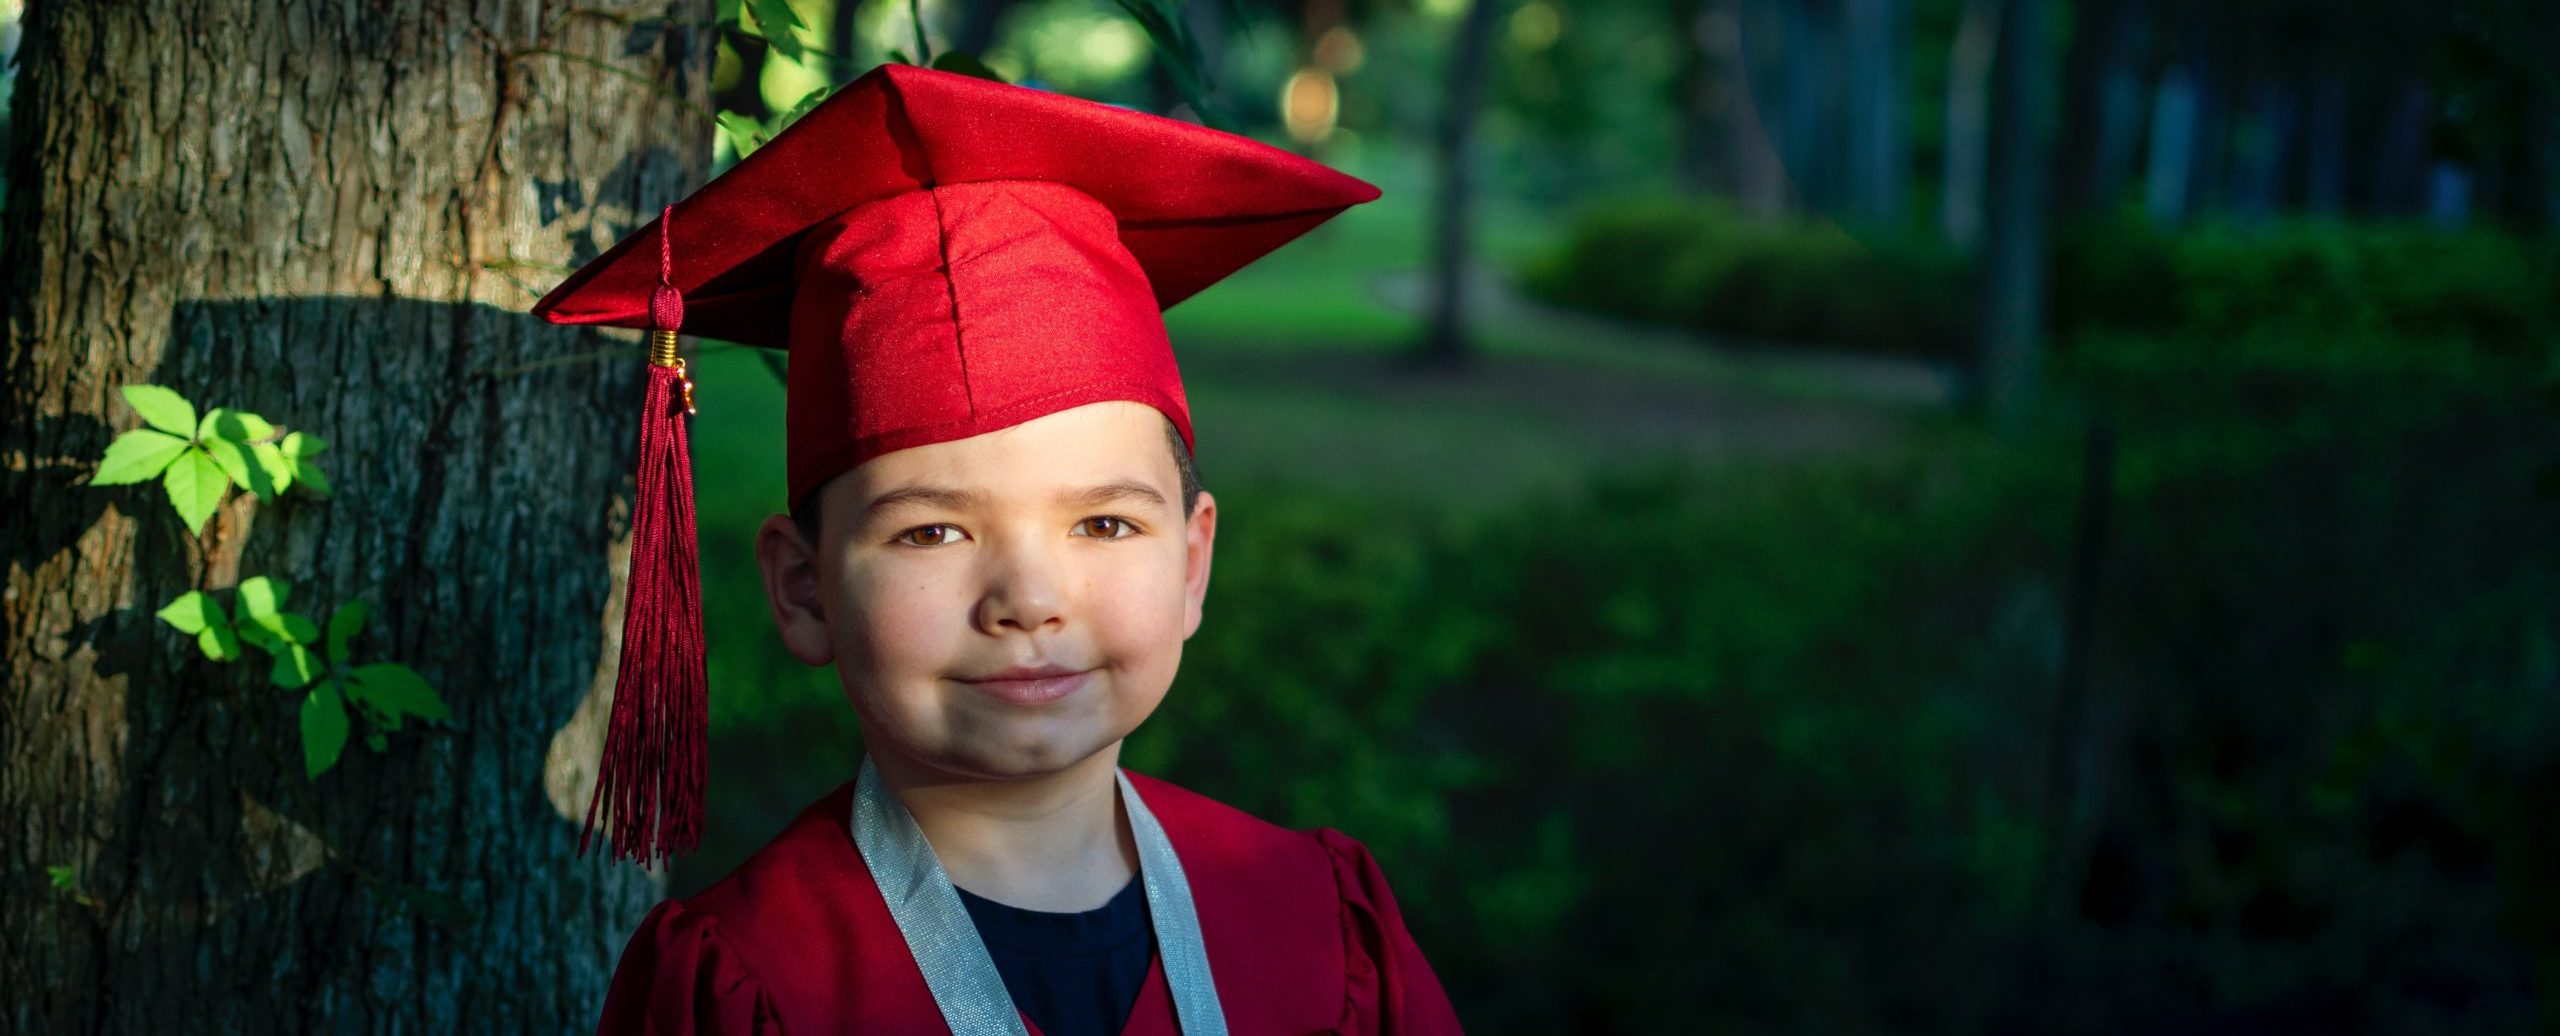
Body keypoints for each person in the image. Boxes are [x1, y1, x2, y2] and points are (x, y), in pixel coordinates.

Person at [531, 62, 1464, 1035]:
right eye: (931, 530)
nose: (1027, 596)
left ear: (1191, 564)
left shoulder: (1319, 923)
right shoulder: (746, 983)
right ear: (804, 588)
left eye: (1104, 523)